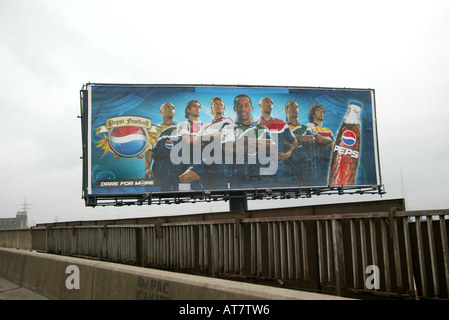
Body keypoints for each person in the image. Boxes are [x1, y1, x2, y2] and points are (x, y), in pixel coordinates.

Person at [179, 96, 235, 189]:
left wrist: (203, 139)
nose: (218, 106)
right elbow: (198, 142)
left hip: (219, 163)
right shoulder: (205, 126)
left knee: (218, 192)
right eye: (215, 104)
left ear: (224, 108)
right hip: (204, 161)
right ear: (211, 107)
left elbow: (220, 136)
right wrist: (208, 138)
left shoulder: (227, 121)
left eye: (221, 104)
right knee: (184, 178)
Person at [231, 94, 276, 188]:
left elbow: (272, 144)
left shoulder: (261, 127)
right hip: (237, 177)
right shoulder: (228, 127)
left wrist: (245, 141)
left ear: (251, 108)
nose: (243, 108)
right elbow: (228, 149)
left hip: (260, 175)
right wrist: (260, 144)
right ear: (234, 108)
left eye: (246, 105)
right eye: (239, 106)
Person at [256, 97, 298, 185]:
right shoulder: (254, 123)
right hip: (258, 168)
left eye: (271, 103)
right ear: (260, 105)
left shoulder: (281, 123)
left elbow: (294, 141)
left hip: (279, 168)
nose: (270, 104)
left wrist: (288, 153)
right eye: (267, 102)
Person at [144, 102, 180, 191]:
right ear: (161, 111)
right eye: (167, 107)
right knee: (162, 193)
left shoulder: (180, 128)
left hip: (179, 164)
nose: (171, 108)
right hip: (160, 165)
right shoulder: (154, 130)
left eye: (173, 107)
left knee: (181, 192)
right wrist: (147, 168)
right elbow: (149, 151)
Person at [284, 100, 315, 185]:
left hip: (305, 164)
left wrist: (293, 137)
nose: (295, 109)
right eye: (292, 106)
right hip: (288, 164)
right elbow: (282, 140)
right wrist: (301, 139)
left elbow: (311, 139)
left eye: (296, 107)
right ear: (286, 111)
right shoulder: (283, 127)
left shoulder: (305, 127)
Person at [307, 103, 335, 185]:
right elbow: (319, 140)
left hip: (328, 160)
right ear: (313, 114)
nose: (322, 112)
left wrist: (328, 141)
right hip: (317, 161)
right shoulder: (310, 126)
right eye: (319, 110)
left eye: (323, 111)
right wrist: (329, 141)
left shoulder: (328, 130)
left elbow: (335, 146)